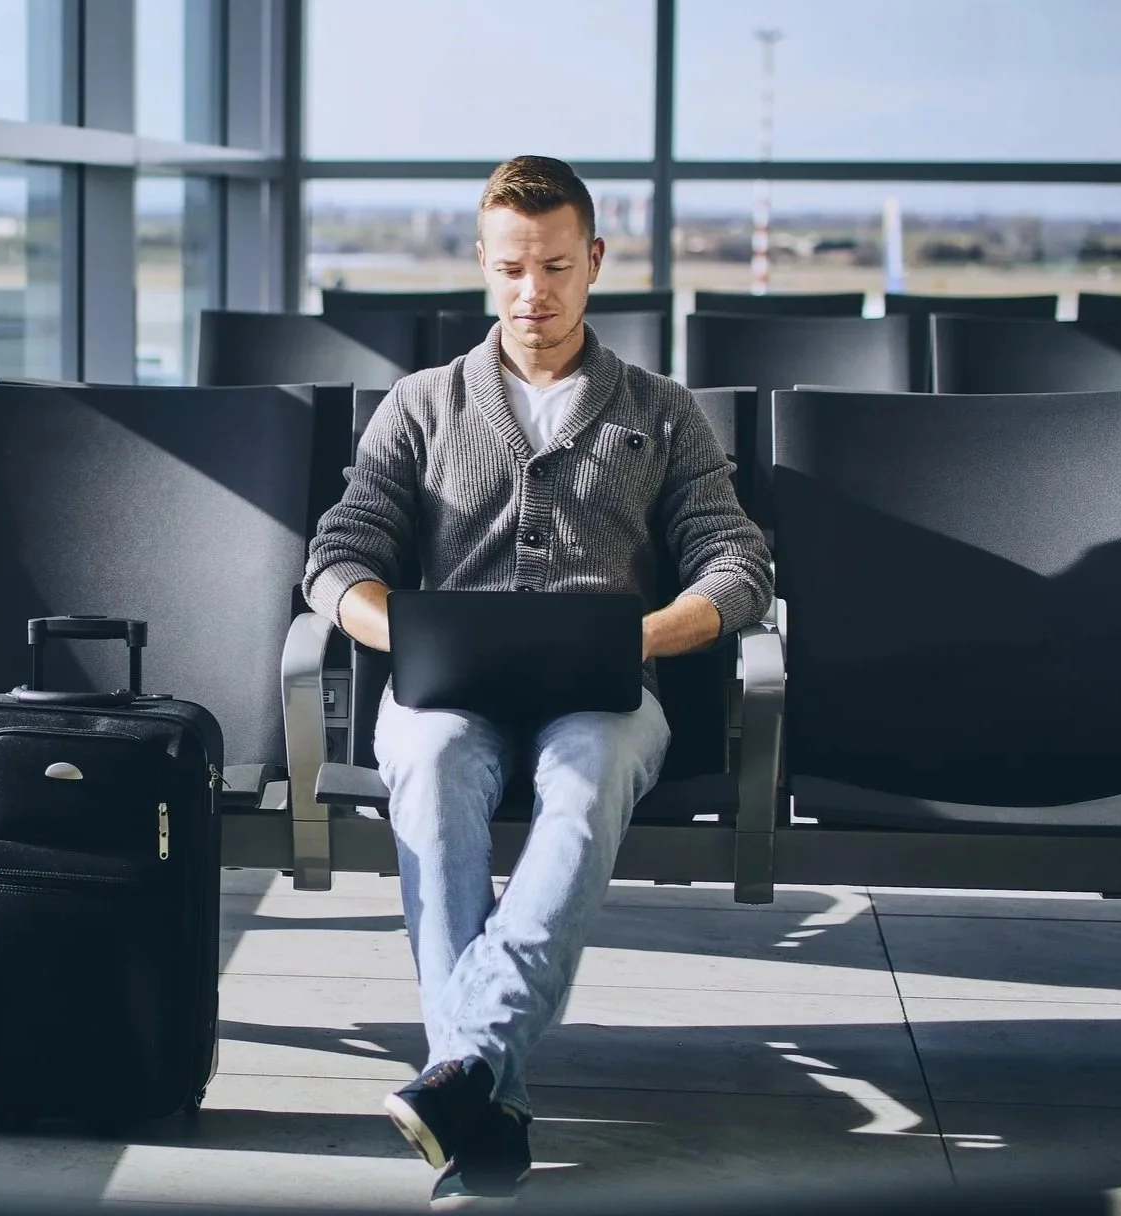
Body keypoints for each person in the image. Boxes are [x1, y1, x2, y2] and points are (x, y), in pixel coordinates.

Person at [301, 155, 772, 1208]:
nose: (534, 293)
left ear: (595, 260)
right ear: (482, 263)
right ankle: (486, 1093)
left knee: (587, 772)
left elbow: (740, 567)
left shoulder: (661, 410)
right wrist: (403, 630)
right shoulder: (420, 406)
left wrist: (640, 637)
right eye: (511, 268)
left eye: (557, 266)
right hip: (446, 695)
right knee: (427, 761)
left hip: (603, 696)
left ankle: (464, 1067)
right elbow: (336, 557)